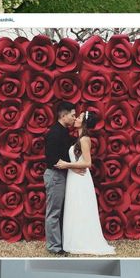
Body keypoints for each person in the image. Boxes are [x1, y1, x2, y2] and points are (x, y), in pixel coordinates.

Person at [55, 110, 115, 255]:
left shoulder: (84, 139)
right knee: (75, 208)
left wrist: (67, 165)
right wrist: (71, 166)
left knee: (81, 208)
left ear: (84, 123)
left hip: (81, 180)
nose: (75, 119)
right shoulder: (79, 138)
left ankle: (82, 241)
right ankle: (74, 240)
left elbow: (88, 163)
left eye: (79, 117)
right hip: (74, 177)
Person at [44, 101, 84, 254]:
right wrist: (73, 167)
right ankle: (54, 247)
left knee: (60, 211)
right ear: (64, 115)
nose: (74, 118)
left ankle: (59, 243)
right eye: (73, 115)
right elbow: (53, 159)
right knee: (54, 212)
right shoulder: (54, 133)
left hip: (61, 175)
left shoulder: (63, 132)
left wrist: (72, 168)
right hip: (55, 176)